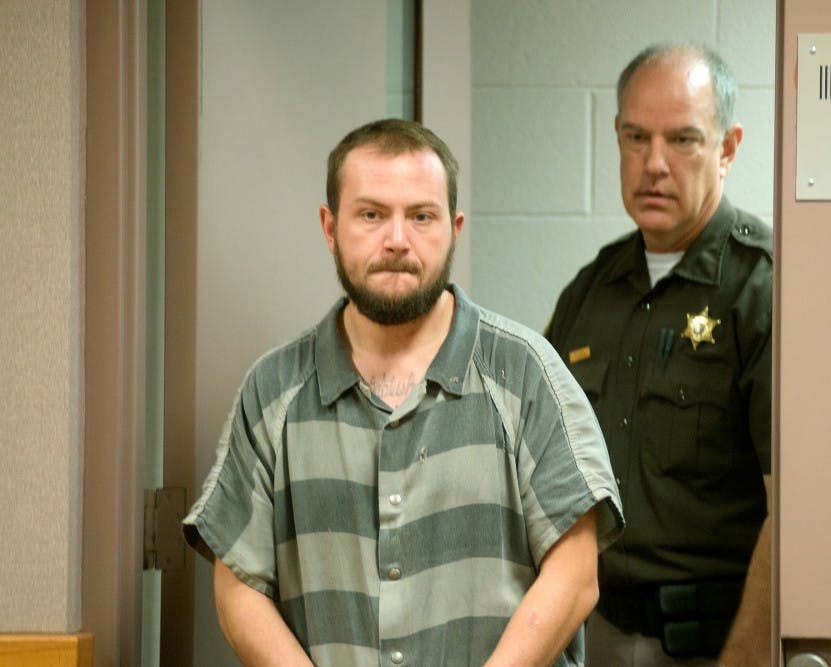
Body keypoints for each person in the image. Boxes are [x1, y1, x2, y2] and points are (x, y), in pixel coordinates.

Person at [182, 118, 624, 667]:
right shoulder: (273, 391)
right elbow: (238, 588)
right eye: (371, 214)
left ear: (454, 227)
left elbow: (576, 576)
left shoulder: (528, 374)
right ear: (329, 227)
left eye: (421, 216)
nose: (397, 239)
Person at [545, 45, 772, 666]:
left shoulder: (762, 288)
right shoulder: (589, 291)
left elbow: (790, 516)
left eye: (683, 140)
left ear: (727, 148)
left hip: (714, 644)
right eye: (635, 137)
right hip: (597, 636)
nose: (654, 164)